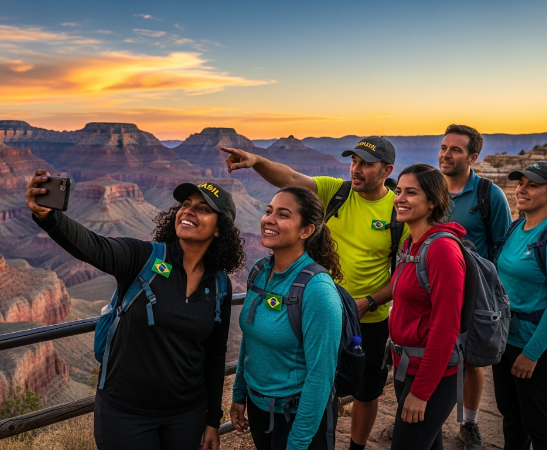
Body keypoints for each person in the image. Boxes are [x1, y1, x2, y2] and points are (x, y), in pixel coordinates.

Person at [25, 171, 245, 450]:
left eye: (202, 209)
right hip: (126, 414)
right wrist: (49, 217)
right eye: (185, 205)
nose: (188, 212)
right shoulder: (143, 258)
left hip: (186, 414)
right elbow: (94, 246)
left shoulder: (219, 284)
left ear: (219, 229)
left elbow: (214, 356)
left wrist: (212, 420)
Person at [222, 137, 409, 450]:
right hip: (304, 302)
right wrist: (257, 161)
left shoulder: (396, 213)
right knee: (314, 372)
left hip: (367, 313)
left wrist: (370, 301)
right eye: (354, 161)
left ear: (387, 169)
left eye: (366, 164)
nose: (356, 169)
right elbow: (293, 180)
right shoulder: (337, 191)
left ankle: (355, 445)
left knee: (364, 389)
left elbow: (405, 273)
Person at [229, 186, 343, 450]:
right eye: (269, 211)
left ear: (307, 231)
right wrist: (239, 394)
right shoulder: (259, 271)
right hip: (260, 410)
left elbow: (321, 375)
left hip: (299, 417)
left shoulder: (318, 290)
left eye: (283, 214)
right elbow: (250, 338)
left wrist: (299, 441)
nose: (269, 219)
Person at [493, 162, 547, 449]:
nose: (522, 189)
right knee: (512, 417)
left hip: (538, 346)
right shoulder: (517, 226)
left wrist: (531, 353)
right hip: (507, 339)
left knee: (539, 422)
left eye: (532, 185)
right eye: (521, 183)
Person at [438, 124, 511, 450]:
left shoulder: (488, 194)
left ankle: (469, 424)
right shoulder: (430, 188)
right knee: (434, 357)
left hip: (473, 294)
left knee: (472, 362)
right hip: (433, 290)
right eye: (443, 147)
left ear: (473, 156)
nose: (446, 154)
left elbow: (503, 246)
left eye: (455, 149)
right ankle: (428, 422)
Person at [388, 163, 465, 449]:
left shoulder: (442, 250)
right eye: (398, 191)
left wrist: (420, 392)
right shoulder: (411, 243)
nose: (400, 199)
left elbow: (446, 328)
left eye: (411, 192)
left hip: (432, 374)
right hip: (405, 365)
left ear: (432, 201)